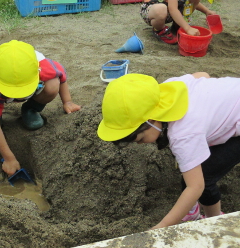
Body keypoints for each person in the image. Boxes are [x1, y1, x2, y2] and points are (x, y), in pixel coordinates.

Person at [97, 72, 240, 230]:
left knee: (205, 177)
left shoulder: (183, 135)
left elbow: (196, 187)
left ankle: (215, 222)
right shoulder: (169, 89)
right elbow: (203, 75)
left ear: (151, 121)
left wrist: (163, 226)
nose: (139, 144)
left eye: (140, 139)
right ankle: (191, 212)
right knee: (190, 169)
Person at [0, 40, 81, 176]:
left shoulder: (44, 67)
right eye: (13, 91)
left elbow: (61, 76)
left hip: (35, 81)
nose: (18, 97)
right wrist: (9, 158)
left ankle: (31, 109)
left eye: (23, 91)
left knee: (53, 85)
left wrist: (68, 102)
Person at [140, 0, 216, 44]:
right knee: (160, 9)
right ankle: (159, 30)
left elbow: (190, 2)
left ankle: (178, 26)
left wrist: (206, 11)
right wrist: (188, 28)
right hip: (152, 10)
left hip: (170, 10)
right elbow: (173, 9)